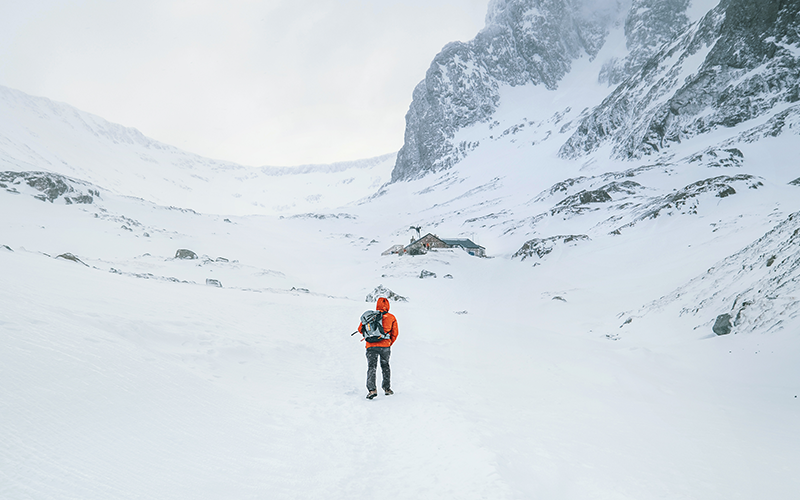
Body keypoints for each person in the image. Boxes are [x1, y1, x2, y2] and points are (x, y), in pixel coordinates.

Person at [358, 297, 399, 399]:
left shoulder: (370, 316)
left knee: (371, 367)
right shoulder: (391, 317)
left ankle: (372, 390)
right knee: (385, 366)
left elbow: (360, 329)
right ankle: (387, 389)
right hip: (385, 346)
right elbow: (395, 333)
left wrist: (370, 337)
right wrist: (388, 343)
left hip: (371, 347)